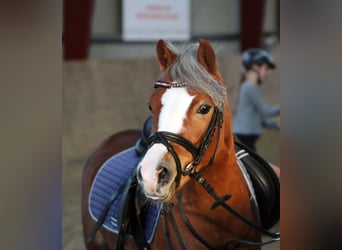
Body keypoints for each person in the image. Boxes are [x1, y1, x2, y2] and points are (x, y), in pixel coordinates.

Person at [233, 48, 280, 152]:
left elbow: (260, 118)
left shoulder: (248, 87)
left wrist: (276, 125)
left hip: (245, 138)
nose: (266, 73)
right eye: (265, 68)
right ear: (255, 67)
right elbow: (267, 111)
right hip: (245, 138)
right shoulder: (250, 87)